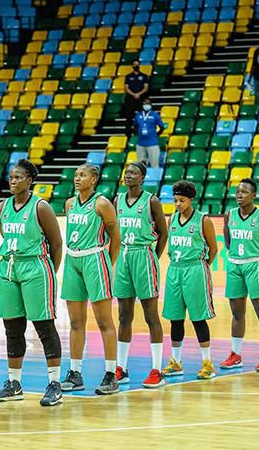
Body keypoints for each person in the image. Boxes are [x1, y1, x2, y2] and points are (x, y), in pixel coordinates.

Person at [0, 159, 65, 406]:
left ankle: (55, 384)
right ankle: (14, 383)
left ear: (29, 180)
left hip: (36, 266)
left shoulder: (41, 207)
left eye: (18, 177)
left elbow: (56, 243)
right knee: (12, 328)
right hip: (9, 267)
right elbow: (7, 236)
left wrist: (49, 272)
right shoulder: (2, 207)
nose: (13, 181)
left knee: (44, 327)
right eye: (11, 177)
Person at [60, 165, 121, 395]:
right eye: (75, 175)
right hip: (72, 260)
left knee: (104, 321)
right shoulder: (69, 203)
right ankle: (75, 373)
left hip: (95, 258)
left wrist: (107, 262)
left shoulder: (102, 203)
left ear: (94, 179)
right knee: (76, 322)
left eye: (82, 175)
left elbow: (116, 238)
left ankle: (110, 373)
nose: (77, 178)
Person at [114, 161, 169, 388]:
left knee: (150, 316)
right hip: (124, 256)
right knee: (124, 316)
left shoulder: (151, 201)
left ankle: (157, 370)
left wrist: (153, 257)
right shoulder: (117, 200)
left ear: (143, 177)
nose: (129, 175)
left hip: (144, 256)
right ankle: (121, 368)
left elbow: (163, 234)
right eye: (127, 172)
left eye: (134, 172)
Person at [161, 180, 219, 380]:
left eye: (182, 200)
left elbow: (213, 249)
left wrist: (202, 267)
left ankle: (207, 363)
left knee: (198, 318)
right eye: (175, 200)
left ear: (191, 200)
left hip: (195, 270)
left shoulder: (203, 220)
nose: (177, 204)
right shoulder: (173, 219)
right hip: (174, 270)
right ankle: (176, 362)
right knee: (175, 318)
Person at [220, 179, 259, 372]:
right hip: (235, 265)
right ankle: (235, 354)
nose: (239, 195)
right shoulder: (230, 215)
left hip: (255, 264)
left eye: (244, 192)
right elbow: (228, 241)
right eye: (237, 191)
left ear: (254, 195)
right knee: (237, 313)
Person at [133, 98, 165, 168]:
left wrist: (156, 135)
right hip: (140, 144)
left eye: (148, 104)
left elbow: (162, 127)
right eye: (145, 104)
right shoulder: (138, 115)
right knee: (140, 167)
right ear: (142, 105)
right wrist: (139, 134)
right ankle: (142, 179)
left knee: (154, 165)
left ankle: (155, 179)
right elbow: (135, 126)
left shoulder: (155, 115)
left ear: (151, 105)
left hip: (152, 144)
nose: (146, 105)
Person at [124, 60, 150, 138]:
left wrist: (138, 94)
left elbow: (146, 88)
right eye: (134, 64)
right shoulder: (128, 76)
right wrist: (133, 94)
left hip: (140, 99)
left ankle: (142, 131)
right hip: (131, 99)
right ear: (132, 66)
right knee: (129, 117)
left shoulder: (144, 76)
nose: (136, 66)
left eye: (137, 64)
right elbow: (126, 88)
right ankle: (128, 134)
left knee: (142, 116)